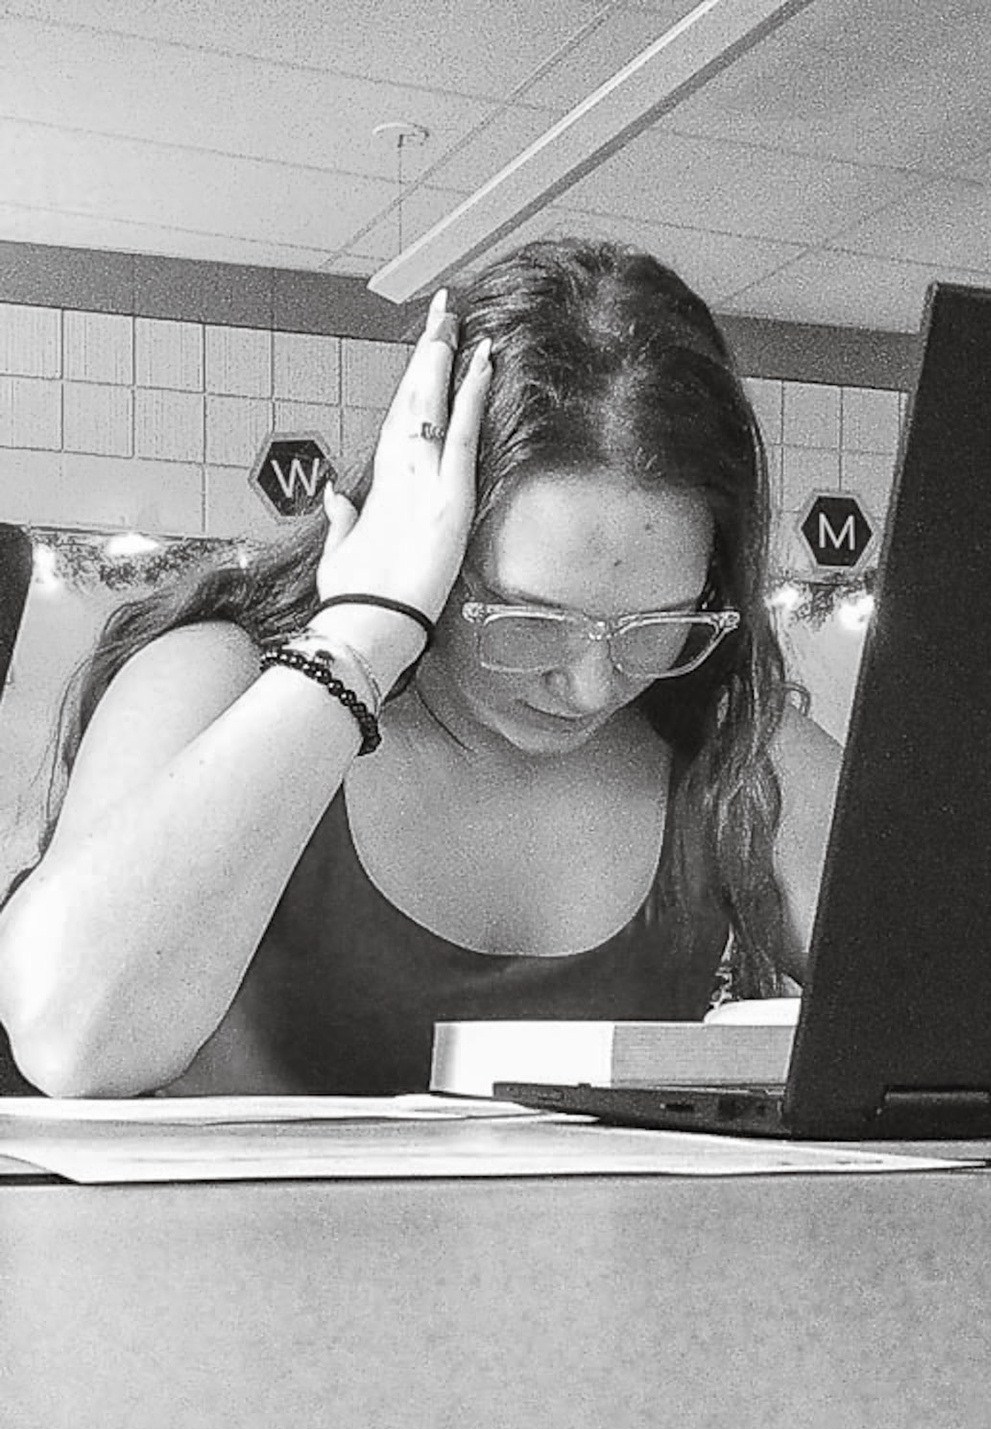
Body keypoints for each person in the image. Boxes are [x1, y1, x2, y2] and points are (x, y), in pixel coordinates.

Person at [0, 239, 842, 1097]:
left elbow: (961, 1007)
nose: (590, 684)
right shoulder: (215, 683)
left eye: (655, 626)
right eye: (528, 621)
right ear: (425, 542)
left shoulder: (736, 747)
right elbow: (73, 1043)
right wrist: (359, 639)